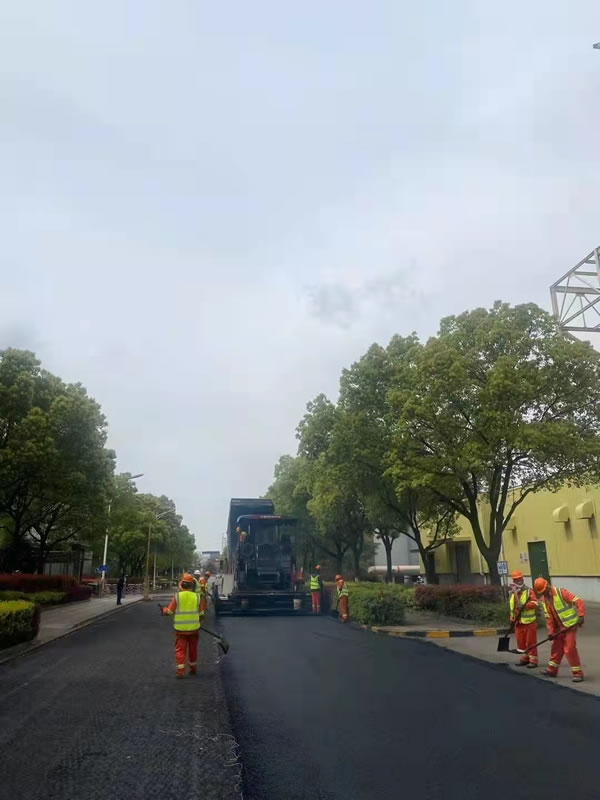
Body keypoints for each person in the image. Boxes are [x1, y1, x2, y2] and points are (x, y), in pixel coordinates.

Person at [534, 577, 585, 682]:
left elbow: (578, 601)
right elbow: (549, 618)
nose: (544, 593)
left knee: (569, 649)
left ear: (547, 586)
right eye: (542, 592)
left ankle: (578, 674)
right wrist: (550, 632)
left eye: (544, 591)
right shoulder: (544, 600)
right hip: (558, 628)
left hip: (569, 625)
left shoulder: (560, 592)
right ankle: (552, 670)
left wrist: (581, 615)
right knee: (556, 648)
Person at [161, 573, 202, 678]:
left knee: (180, 650)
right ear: (191, 585)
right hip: (194, 629)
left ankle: (180, 672)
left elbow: (170, 612)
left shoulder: (177, 596)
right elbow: (201, 613)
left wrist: (164, 610)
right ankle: (193, 668)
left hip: (180, 630)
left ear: (181, 584)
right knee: (193, 649)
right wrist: (197, 623)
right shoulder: (197, 597)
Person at [508, 570, 538, 668]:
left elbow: (535, 603)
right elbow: (512, 608)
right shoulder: (513, 593)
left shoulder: (529, 591)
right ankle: (525, 658)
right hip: (518, 622)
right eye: (517, 580)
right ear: (513, 581)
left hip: (529, 622)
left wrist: (525, 606)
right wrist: (512, 619)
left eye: (520, 579)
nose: (519, 581)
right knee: (521, 642)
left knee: (531, 641)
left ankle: (533, 660)